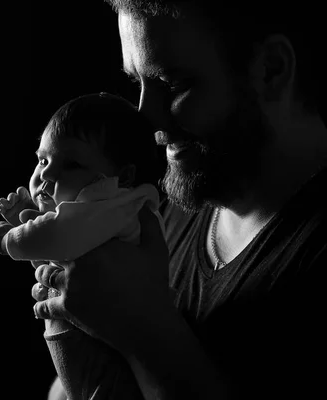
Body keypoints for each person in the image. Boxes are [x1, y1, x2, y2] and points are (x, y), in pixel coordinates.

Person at [30, 1, 327, 399]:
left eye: (171, 85)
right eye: (137, 85)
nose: (145, 120)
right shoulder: (167, 203)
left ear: (271, 70)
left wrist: (142, 329)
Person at [0, 92, 165, 399]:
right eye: (43, 160)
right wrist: (31, 218)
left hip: (109, 355)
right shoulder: (93, 213)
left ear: (123, 176)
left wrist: (7, 239)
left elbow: (58, 237)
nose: (47, 174)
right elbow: (61, 242)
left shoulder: (117, 204)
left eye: (72, 164)